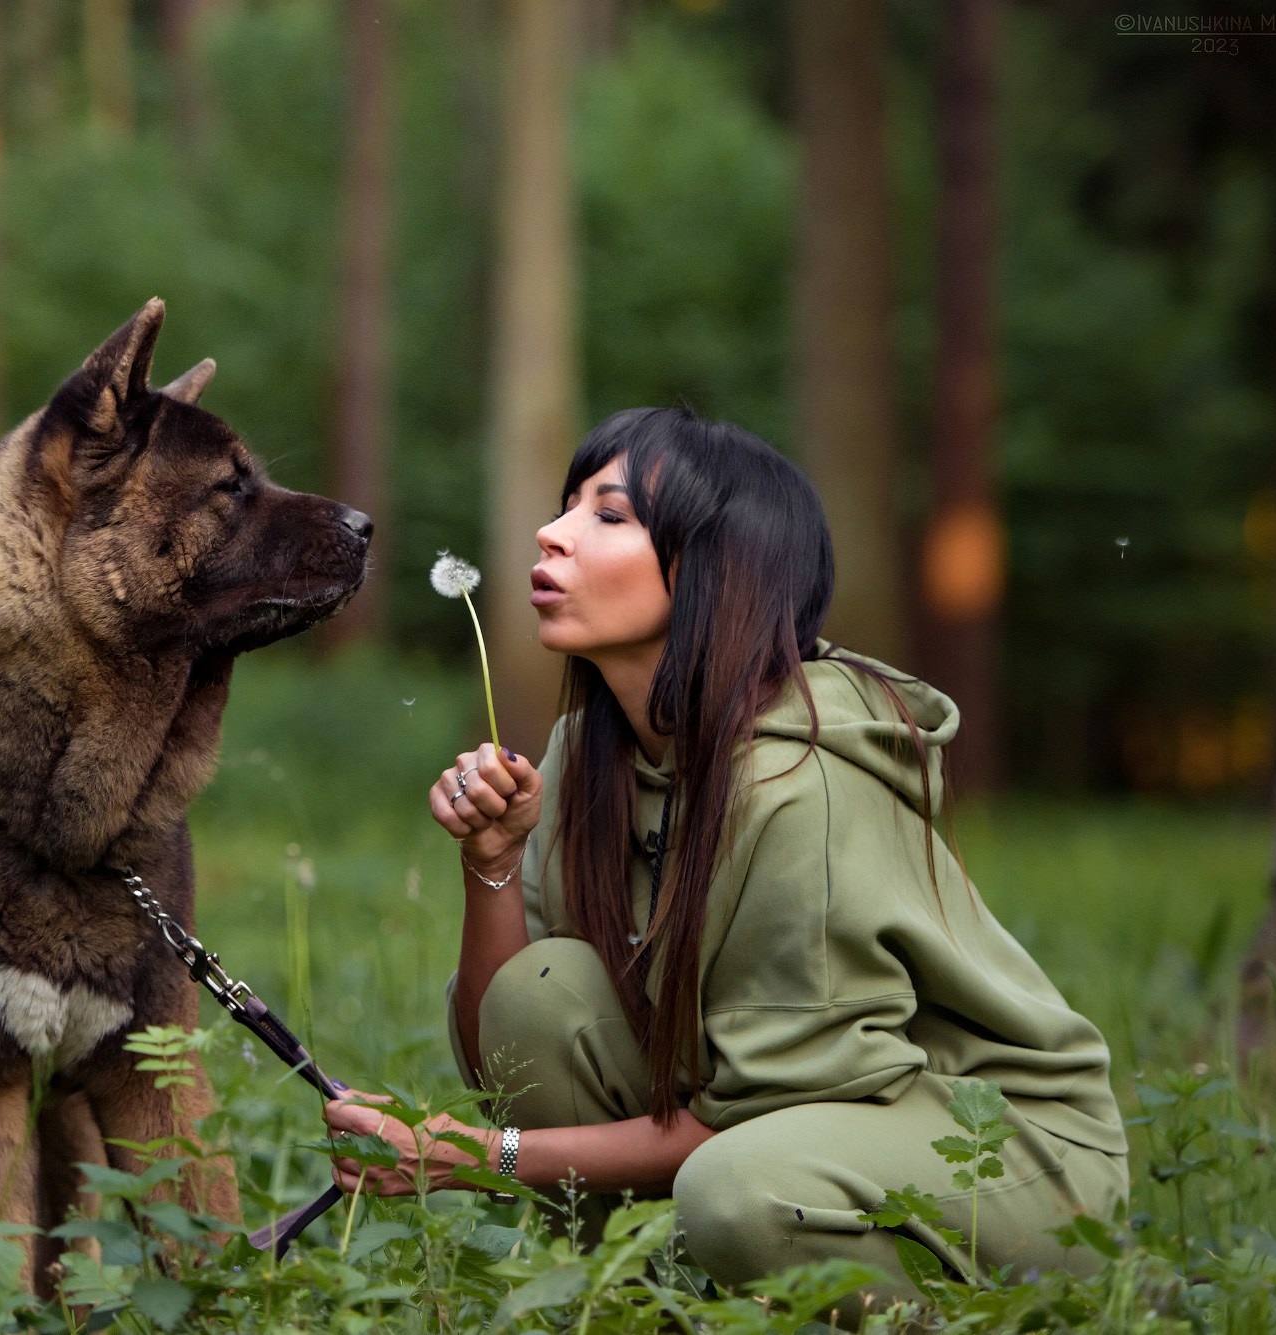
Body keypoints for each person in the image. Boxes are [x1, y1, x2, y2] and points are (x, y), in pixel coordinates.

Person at [321, 406, 1128, 1308]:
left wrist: (480, 1156)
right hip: (783, 1135)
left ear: (714, 569)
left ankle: (1013, 1313)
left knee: (737, 1195)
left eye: (608, 514)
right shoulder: (586, 753)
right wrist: (493, 861)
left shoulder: (800, 786)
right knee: (540, 992)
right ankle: (642, 1310)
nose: (552, 533)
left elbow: (760, 1116)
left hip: (1004, 1152)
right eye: (565, 506)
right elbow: (499, 1056)